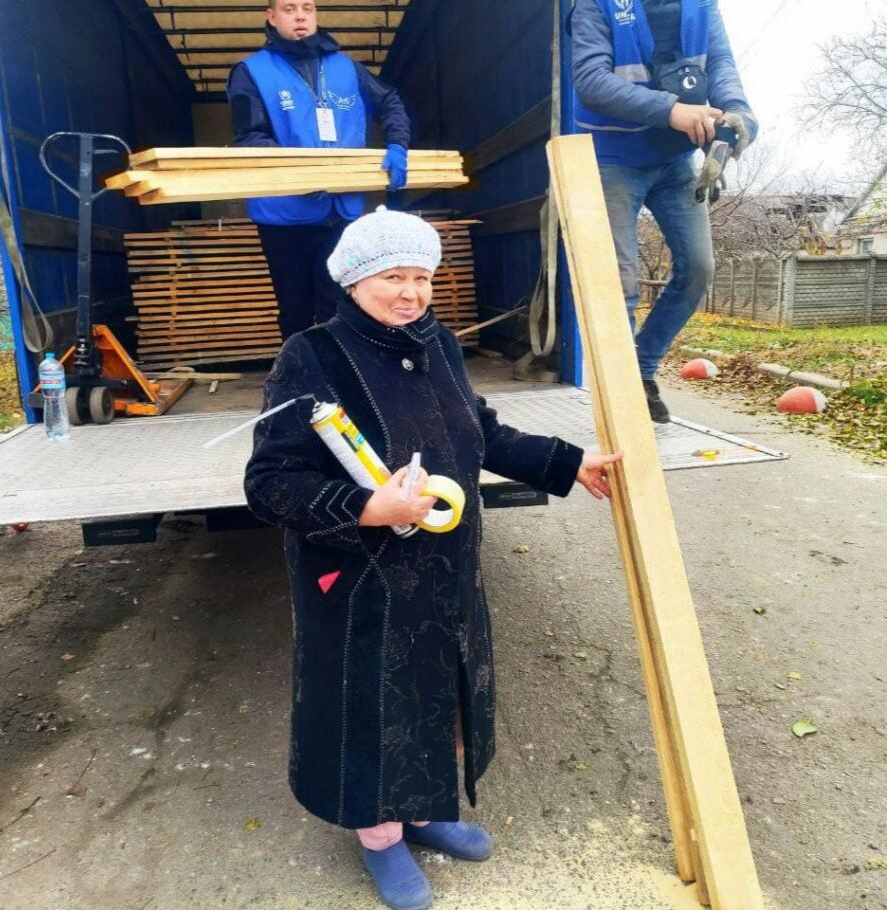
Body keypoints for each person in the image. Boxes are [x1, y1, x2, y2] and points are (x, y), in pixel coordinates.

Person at [243, 207, 623, 910]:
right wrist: (368, 508)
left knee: (434, 687)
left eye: (421, 276)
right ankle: (380, 836)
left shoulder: (438, 344)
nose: (410, 292)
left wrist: (570, 464)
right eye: (393, 276)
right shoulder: (313, 355)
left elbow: (481, 432)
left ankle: (422, 810)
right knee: (370, 699)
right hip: (358, 574)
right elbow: (269, 484)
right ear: (356, 280)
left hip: (443, 567)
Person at [571, 0, 758, 422]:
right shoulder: (595, 5)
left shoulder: (701, 5)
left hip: (674, 162)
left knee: (698, 268)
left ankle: (641, 369)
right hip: (613, 158)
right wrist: (670, 110)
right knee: (620, 284)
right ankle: (623, 394)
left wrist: (738, 111)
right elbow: (590, 80)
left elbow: (722, 63)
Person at [228, 0, 412, 342]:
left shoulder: (345, 67)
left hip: (341, 212)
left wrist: (397, 144)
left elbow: (389, 102)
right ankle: (300, 378)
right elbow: (250, 137)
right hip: (284, 215)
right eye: (289, 8)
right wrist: (302, 175)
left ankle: (342, 379)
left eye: (307, 8)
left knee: (339, 304)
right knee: (295, 309)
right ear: (271, 16)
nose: (300, 15)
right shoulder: (251, 71)